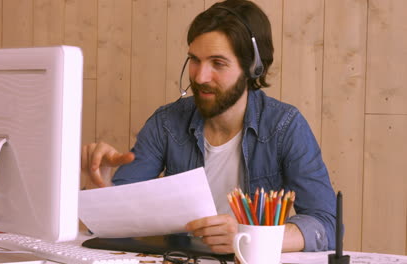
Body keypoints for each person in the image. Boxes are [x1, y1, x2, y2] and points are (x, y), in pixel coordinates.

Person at [81, 0, 336, 254]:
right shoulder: (166, 124)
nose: (200, 77)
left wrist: (248, 236)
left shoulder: (285, 127)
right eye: (194, 60)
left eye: (218, 63)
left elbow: (327, 225)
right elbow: (111, 226)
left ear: (253, 68)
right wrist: (100, 186)